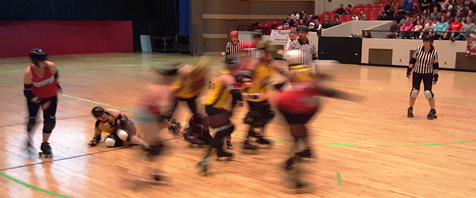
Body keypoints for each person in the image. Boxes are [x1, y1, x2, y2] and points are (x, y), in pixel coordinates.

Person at [278, 50, 361, 188]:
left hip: (293, 107)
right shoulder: (307, 80)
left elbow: (327, 91)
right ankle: (296, 172)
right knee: (298, 136)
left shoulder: (303, 79)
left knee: (297, 137)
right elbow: (329, 92)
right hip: (291, 107)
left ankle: (297, 160)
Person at [196, 55, 263, 174]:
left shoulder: (224, 75)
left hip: (214, 106)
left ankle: (219, 151)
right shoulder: (227, 78)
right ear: (235, 66)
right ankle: (206, 157)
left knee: (227, 128)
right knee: (226, 128)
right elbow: (236, 95)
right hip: (213, 107)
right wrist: (254, 95)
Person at [23, 48, 61, 158]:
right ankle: (29, 139)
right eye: (42, 61)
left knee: (50, 121)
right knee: (32, 120)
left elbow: (55, 74)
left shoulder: (51, 66)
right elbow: (27, 92)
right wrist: (41, 102)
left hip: (51, 96)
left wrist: (57, 84)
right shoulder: (29, 73)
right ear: (35, 62)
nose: (45, 63)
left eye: (45, 60)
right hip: (35, 97)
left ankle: (45, 144)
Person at [169, 57, 211, 145]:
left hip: (191, 97)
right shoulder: (187, 73)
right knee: (169, 114)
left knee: (197, 115)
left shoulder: (202, 81)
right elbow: (180, 72)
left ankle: (192, 130)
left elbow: (200, 91)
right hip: (178, 95)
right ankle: (168, 126)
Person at [406, 34, 439, 120]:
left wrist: (436, 75)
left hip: (428, 74)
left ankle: (433, 110)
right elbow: (413, 59)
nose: (425, 42)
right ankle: (410, 108)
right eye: (424, 40)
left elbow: (435, 65)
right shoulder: (419, 49)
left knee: (427, 92)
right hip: (417, 72)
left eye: (427, 41)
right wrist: (409, 70)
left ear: (431, 42)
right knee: (414, 91)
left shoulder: (434, 52)